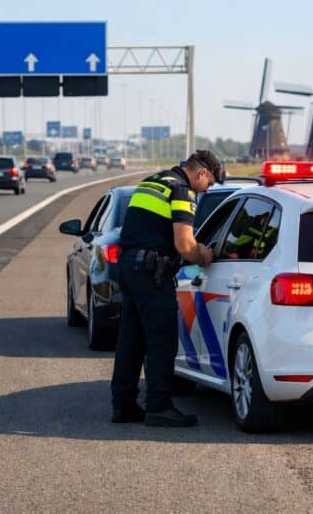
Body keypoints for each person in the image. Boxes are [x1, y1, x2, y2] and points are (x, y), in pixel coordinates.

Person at [110, 150, 221, 427]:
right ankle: (159, 406)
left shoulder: (152, 182)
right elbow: (184, 245)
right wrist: (204, 256)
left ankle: (123, 406)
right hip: (151, 272)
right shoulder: (182, 191)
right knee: (162, 340)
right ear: (201, 173)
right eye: (209, 184)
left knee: (131, 340)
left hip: (129, 267)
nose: (207, 189)